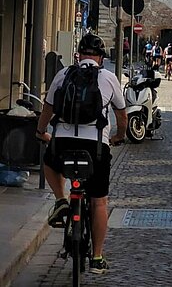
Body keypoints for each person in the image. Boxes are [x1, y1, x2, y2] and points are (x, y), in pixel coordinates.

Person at [35, 33, 127, 275]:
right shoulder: (108, 77)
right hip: (96, 147)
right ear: (100, 57)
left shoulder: (63, 74)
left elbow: (48, 107)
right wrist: (118, 137)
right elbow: (121, 115)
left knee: (49, 163)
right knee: (99, 202)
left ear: (79, 55)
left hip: (62, 142)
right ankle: (97, 257)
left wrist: (41, 131)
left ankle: (61, 200)